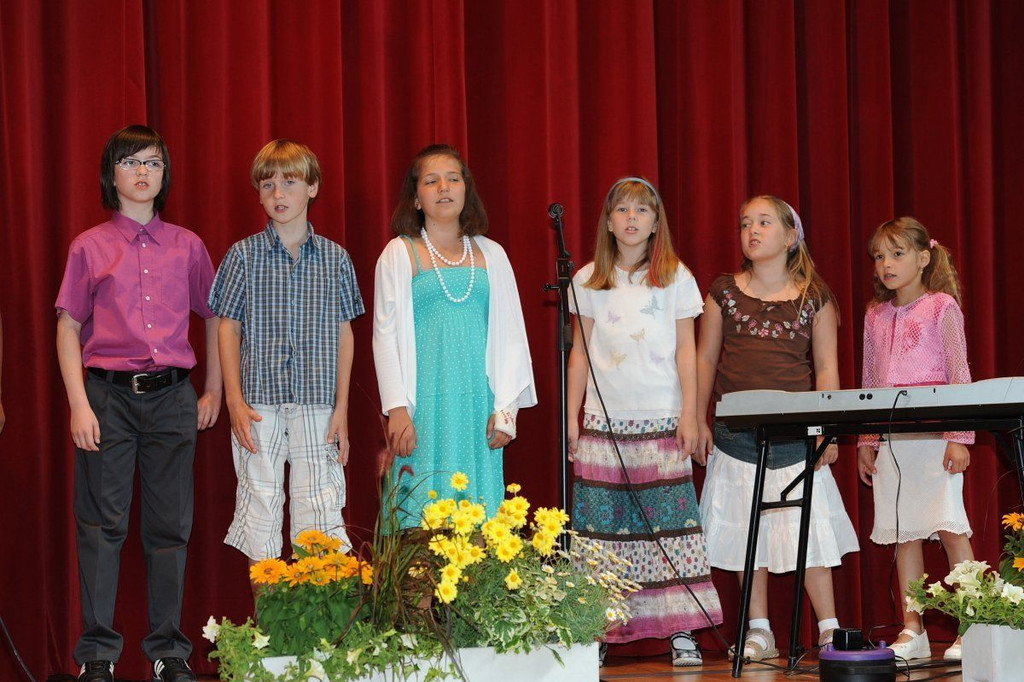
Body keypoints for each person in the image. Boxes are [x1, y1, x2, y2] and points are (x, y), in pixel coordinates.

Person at [55, 125, 222, 682]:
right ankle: (97, 655)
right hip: (107, 399)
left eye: (152, 161)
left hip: (173, 398)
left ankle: (168, 651)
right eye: (130, 162)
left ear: (164, 174)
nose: (142, 171)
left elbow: (215, 317)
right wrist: (79, 405)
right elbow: (68, 326)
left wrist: (214, 390)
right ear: (112, 175)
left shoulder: (188, 246)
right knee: (101, 527)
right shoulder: (89, 246)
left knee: (170, 528)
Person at [566, 177, 722, 666]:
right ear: (609, 222)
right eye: (622, 210)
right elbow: (579, 353)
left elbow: (686, 351)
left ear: (656, 223)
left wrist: (691, 414)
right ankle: (596, 629)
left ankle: (681, 629)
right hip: (604, 424)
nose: (631, 218)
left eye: (641, 210)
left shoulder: (676, 278)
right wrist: (572, 417)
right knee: (602, 531)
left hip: (661, 420)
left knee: (670, 528)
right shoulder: (587, 280)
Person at [695, 195, 858, 660]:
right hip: (736, 439)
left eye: (764, 222)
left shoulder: (814, 298)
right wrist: (698, 418)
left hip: (796, 440)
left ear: (790, 237)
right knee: (747, 532)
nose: (752, 230)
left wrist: (824, 429)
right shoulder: (723, 293)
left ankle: (829, 629)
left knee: (811, 532)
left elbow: (826, 368)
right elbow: (705, 359)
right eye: (746, 223)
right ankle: (760, 630)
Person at [209, 140, 363, 586]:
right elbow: (227, 328)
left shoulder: (335, 259)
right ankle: (268, 621)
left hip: (318, 404)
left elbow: (345, 333)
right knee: (260, 505)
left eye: (290, 182)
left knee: (320, 506)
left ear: (312, 188)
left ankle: (317, 620)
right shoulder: (243, 255)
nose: (279, 194)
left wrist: (341, 408)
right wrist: (234, 402)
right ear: (258, 194)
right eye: (268, 185)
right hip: (258, 404)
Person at [372, 144, 536, 526]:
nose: (443, 187)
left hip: (479, 407)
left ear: (466, 190)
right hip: (421, 409)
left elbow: (513, 336)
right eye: (431, 181)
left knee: (477, 522)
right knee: (421, 518)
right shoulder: (399, 253)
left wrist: (507, 410)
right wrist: (397, 409)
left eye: (453, 179)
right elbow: (384, 336)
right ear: (416, 198)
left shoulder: (492, 254)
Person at [857, 217, 974, 662]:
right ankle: (914, 628)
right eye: (879, 256)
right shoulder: (875, 315)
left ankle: (973, 625)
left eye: (897, 254)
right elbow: (870, 381)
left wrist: (958, 435)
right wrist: (867, 440)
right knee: (904, 533)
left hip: (935, 436)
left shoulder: (942, 307)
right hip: (894, 441)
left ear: (924, 258)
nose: (886, 264)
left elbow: (959, 373)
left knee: (949, 527)